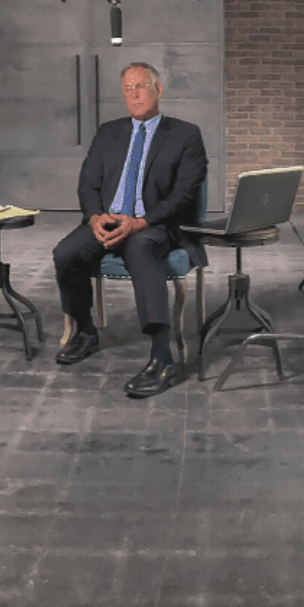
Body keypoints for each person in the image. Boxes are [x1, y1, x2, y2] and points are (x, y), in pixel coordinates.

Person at [52, 62, 207, 397]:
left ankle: (162, 357)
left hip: (154, 224)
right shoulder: (109, 132)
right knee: (66, 253)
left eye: (141, 86)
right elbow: (88, 184)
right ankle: (86, 332)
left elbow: (184, 195)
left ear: (158, 89)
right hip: (108, 219)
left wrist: (141, 222)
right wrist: (95, 217)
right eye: (127, 88)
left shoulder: (185, 134)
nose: (134, 94)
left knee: (139, 249)